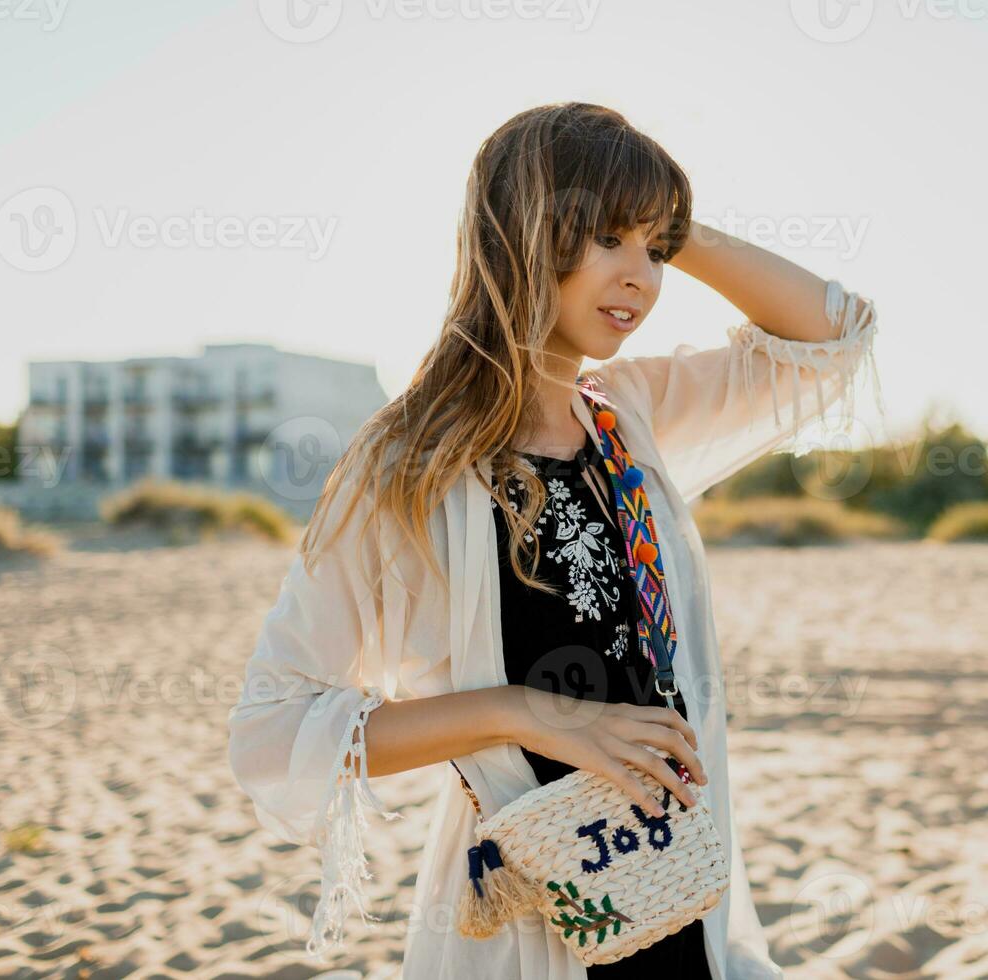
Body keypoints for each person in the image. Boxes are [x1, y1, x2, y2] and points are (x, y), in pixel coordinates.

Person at [226, 101, 882, 979]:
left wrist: (671, 222)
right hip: (536, 912)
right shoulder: (407, 463)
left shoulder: (630, 414)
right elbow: (271, 730)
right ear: (525, 233)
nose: (641, 279)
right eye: (607, 237)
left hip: (679, 886)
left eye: (655, 251)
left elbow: (832, 332)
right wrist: (523, 713)